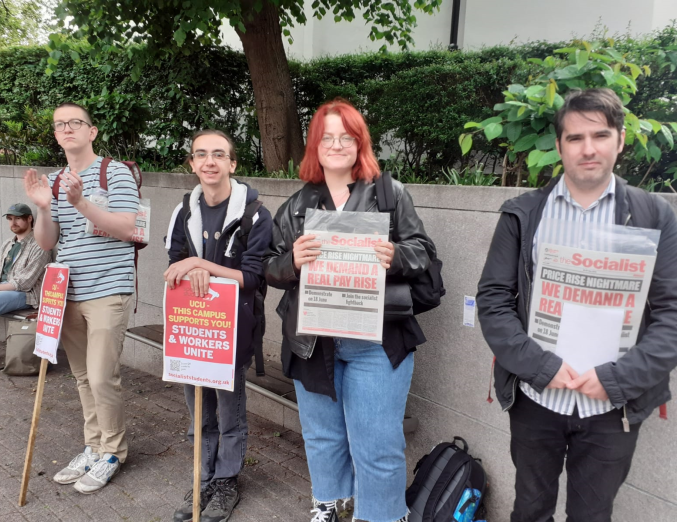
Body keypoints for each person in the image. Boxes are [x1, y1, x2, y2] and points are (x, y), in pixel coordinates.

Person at [477, 88, 677, 522]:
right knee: (530, 510)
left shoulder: (654, 217)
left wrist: (618, 380)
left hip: (613, 406)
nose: (588, 149)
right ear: (559, 145)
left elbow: (672, 315)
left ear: (620, 141)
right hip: (537, 398)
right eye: (575, 138)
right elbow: (493, 301)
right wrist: (540, 366)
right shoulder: (523, 214)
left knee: (592, 515)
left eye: (600, 135)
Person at [264, 99, 435, 522]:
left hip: (376, 342)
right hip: (313, 341)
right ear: (314, 146)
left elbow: (424, 253)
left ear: (361, 144)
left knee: (377, 444)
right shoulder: (298, 204)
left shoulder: (388, 194)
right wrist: (292, 262)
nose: (337, 145)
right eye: (328, 137)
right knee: (322, 437)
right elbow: (269, 266)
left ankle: (381, 516)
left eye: (347, 137)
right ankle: (329, 504)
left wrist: (394, 254)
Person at [23, 102, 139, 494]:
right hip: (67, 289)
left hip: (109, 287)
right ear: (56, 136)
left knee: (104, 375)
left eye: (75, 122)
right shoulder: (54, 181)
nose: (67, 129)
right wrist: (42, 208)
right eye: (60, 125)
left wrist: (80, 202)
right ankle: (93, 445)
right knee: (83, 375)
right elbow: (48, 241)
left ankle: (113, 451)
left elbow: (128, 227)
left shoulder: (114, 172)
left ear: (92, 131)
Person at [165, 129, 273, 522]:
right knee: (198, 412)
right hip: (192, 329)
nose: (209, 161)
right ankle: (204, 476)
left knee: (229, 413)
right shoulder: (184, 211)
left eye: (218, 154)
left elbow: (253, 277)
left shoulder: (255, 214)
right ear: (192, 164)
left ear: (233, 163)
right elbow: (173, 265)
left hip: (234, 330)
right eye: (200, 154)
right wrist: (188, 270)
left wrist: (203, 266)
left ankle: (227, 480)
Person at [0, 203, 52, 370]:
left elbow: (24, 283)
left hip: (25, 294)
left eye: (18, 218)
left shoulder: (40, 245)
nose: (13, 222)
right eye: (10, 219)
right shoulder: (8, 244)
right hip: (2, 290)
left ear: (29, 219)